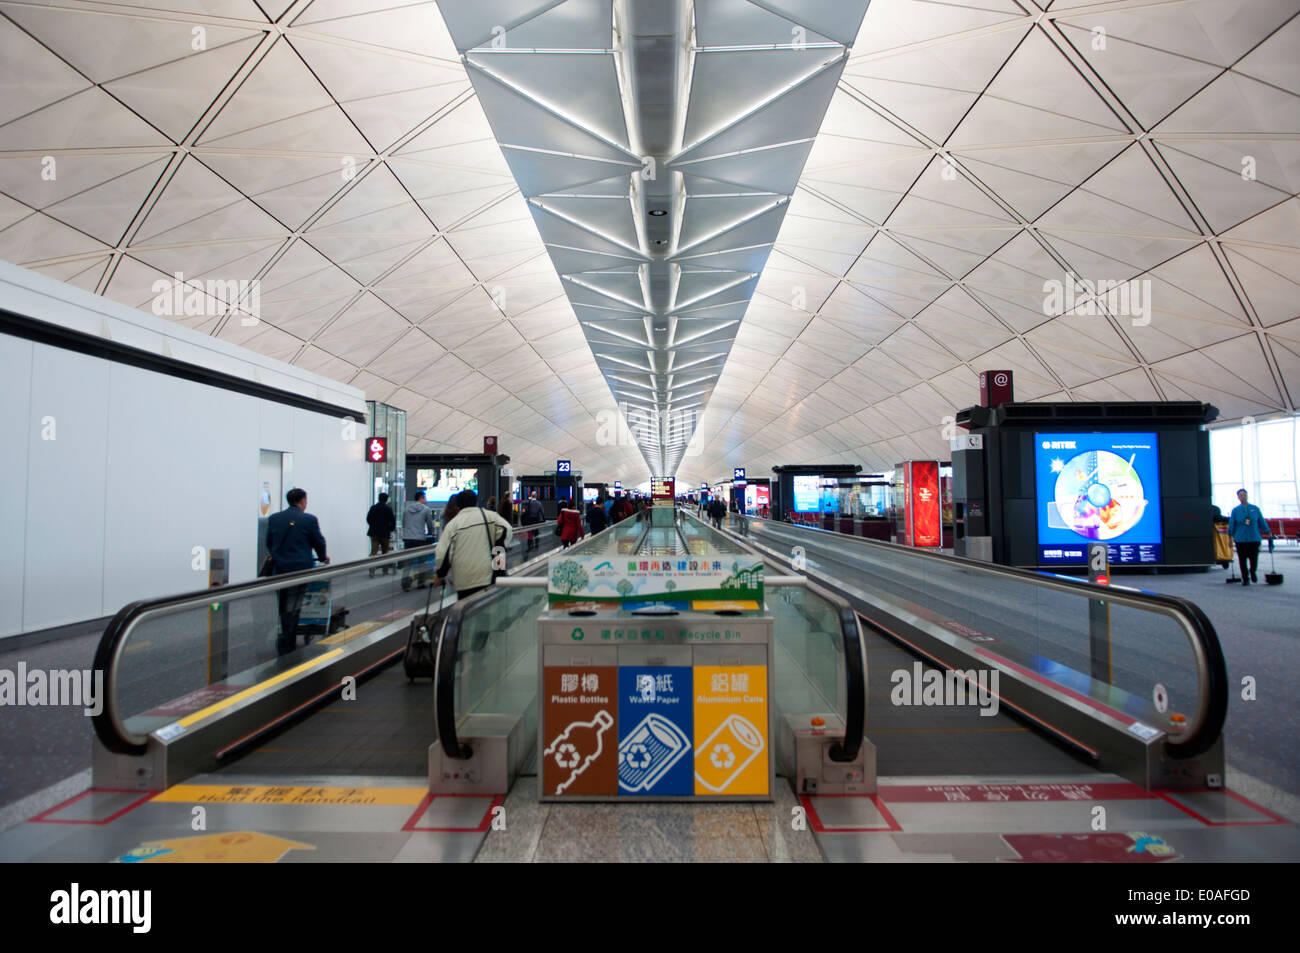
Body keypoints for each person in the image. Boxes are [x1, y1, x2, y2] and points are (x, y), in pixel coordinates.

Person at [265, 488, 329, 656]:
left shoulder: (274, 518)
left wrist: (279, 556)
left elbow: (269, 543)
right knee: (294, 604)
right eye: (306, 500)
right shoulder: (309, 519)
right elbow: (318, 541)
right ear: (302, 501)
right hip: (300, 569)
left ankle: (287, 634)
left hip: (280, 569)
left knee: (283, 602)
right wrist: (323, 557)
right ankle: (288, 639)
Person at [433, 489, 513, 602]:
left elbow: (443, 552)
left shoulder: (453, 525)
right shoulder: (490, 516)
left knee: (467, 611)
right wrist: (498, 559)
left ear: (458, 505)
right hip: (488, 575)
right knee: (488, 609)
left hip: (464, 580)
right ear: (476, 502)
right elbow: (507, 529)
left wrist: (440, 574)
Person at [1227, 488, 1273, 586]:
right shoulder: (1235, 511)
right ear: (1238, 497)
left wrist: (1268, 531)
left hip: (1254, 538)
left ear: (1247, 496)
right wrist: (1230, 538)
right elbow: (1232, 525)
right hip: (1241, 539)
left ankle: (1252, 571)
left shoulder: (1255, 509)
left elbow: (1261, 521)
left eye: (1244, 495)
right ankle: (1245, 577)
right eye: (1241, 495)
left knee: (1254, 558)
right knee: (1242, 559)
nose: (1243, 497)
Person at [365, 492, 396, 576]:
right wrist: (391, 529)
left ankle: (372, 570)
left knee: (373, 552)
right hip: (385, 533)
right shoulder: (388, 509)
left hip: (374, 533)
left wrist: (373, 525)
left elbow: (368, 519)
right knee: (385, 553)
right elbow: (393, 521)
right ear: (386, 500)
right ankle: (384, 571)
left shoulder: (373, 508)